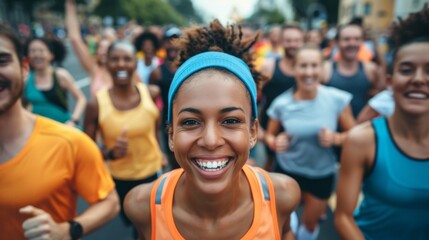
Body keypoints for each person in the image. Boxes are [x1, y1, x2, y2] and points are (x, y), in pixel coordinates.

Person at [124, 19, 301, 239]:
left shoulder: (281, 196)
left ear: (253, 131)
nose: (210, 140)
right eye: (190, 122)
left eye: (230, 121)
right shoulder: (143, 206)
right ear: (170, 134)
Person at [0, 24, 119, 240]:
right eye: (33, 50)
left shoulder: (70, 142)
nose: (38, 54)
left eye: (2, 61)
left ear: (23, 68)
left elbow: (110, 203)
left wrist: (67, 230)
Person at [335, 6, 429, 239]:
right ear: (389, 81)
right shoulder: (363, 140)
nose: (418, 79)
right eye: (407, 70)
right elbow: (343, 217)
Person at [265, 45, 355, 240]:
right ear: (294, 69)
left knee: (310, 224)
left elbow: (355, 134)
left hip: (321, 173)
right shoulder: (282, 103)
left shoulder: (336, 98)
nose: (309, 72)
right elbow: (267, 135)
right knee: (282, 224)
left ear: (322, 69)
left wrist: (336, 138)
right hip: (287, 171)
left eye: (314, 66)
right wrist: (274, 142)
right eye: (303, 66)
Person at [83, 40, 164, 233]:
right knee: (132, 222)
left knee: (150, 226)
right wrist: (110, 153)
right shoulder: (95, 104)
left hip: (152, 174)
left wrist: (161, 153)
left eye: (127, 59)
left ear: (135, 63)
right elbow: (87, 150)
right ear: (107, 63)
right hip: (119, 178)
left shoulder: (151, 93)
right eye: (115, 59)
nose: (121, 64)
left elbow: (155, 129)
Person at [260, 24, 304, 170]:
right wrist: (255, 126)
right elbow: (251, 97)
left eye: (297, 40)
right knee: (270, 169)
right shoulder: (269, 66)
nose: (293, 44)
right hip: (271, 128)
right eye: (288, 40)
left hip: (300, 127)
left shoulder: (309, 70)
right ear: (281, 41)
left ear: (302, 41)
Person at [323, 23, 384, 117]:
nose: (352, 43)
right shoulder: (325, 69)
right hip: (331, 128)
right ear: (337, 42)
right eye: (346, 39)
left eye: (357, 39)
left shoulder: (371, 69)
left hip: (361, 127)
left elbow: (379, 104)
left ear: (362, 42)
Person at [24, 37, 86, 127]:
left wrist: (73, 121)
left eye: (41, 51)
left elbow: (81, 99)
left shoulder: (60, 75)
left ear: (51, 55)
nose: (37, 55)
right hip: (39, 132)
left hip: (63, 130)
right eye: (33, 51)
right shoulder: (26, 80)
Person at [149, 26, 182, 169]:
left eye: (176, 40)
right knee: (173, 161)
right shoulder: (157, 73)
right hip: (167, 123)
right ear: (164, 45)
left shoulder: (189, 68)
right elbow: (149, 102)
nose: (172, 44)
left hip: (189, 121)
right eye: (169, 41)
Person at [65, 0, 113, 97]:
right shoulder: (95, 70)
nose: (103, 51)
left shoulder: (127, 71)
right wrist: (70, 4)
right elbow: (75, 39)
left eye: (107, 48)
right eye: (101, 47)